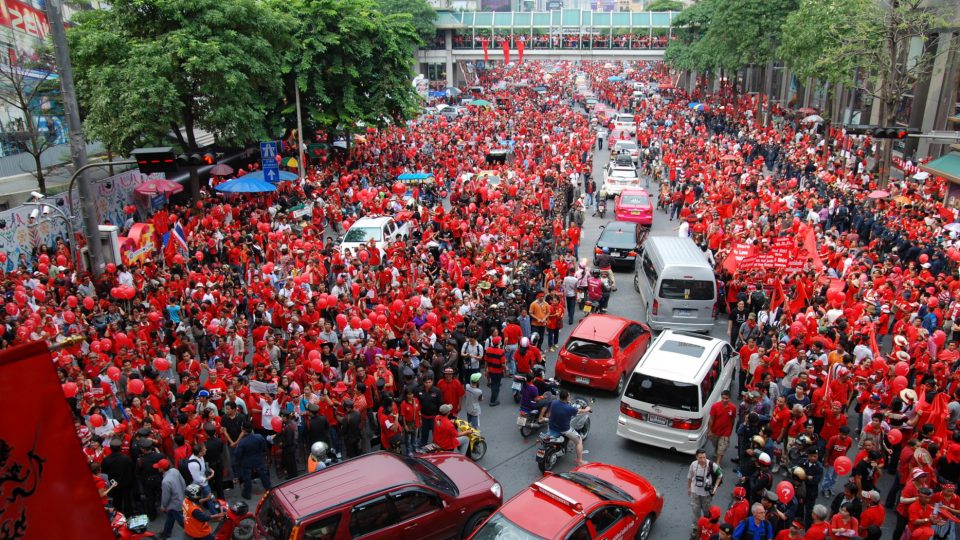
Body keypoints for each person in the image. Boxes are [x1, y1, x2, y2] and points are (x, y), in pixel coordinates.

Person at [546, 389, 591, 466]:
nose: (570, 397)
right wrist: (587, 409)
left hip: (551, 426)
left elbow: (549, 413)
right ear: (567, 398)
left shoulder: (554, 402)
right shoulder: (570, 409)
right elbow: (581, 411)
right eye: (569, 396)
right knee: (579, 440)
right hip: (564, 430)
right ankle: (580, 461)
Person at [688, 449, 723, 538]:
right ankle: (695, 528)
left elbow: (720, 475)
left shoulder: (712, 465)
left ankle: (707, 528)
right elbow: (689, 477)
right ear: (697, 457)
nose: (703, 459)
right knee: (695, 512)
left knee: (707, 513)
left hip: (707, 495)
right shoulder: (693, 464)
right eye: (700, 457)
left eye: (704, 457)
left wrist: (715, 488)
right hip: (695, 493)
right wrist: (689, 488)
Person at [233, 425, 271, 500]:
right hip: (258, 459)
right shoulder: (259, 437)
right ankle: (269, 488)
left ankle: (247, 493)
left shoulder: (242, 442)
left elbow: (237, 454)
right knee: (263, 474)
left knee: (247, 477)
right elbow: (264, 447)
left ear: (244, 431)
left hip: (246, 461)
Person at [157, 459, 186, 540]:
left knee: (182, 521)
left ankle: (194, 533)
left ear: (162, 469)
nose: (157, 468)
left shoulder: (165, 481)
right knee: (170, 518)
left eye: (159, 467)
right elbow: (183, 482)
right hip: (181, 499)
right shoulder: (175, 470)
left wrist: (163, 506)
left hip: (174, 505)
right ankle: (166, 532)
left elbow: (166, 496)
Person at [707, 390, 737, 463]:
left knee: (722, 449)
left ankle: (718, 463)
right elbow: (711, 419)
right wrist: (709, 431)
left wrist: (730, 431)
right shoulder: (715, 406)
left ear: (729, 398)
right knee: (715, 444)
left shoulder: (733, 408)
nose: (724, 400)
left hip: (725, 432)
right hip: (715, 431)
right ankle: (716, 449)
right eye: (723, 398)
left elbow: (732, 419)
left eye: (726, 398)